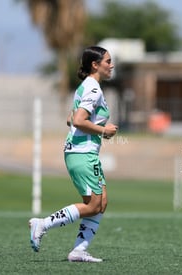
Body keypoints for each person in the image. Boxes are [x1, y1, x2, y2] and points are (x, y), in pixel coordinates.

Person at [29, 46, 118, 263]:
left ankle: (79, 250)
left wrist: (97, 128)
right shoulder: (93, 89)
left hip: (86, 153)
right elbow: (78, 121)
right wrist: (104, 130)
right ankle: (43, 224)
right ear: (95, 65)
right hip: (81, 153)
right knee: (92, 205)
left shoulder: (88, 86)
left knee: (101, 203)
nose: (111, 65)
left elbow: (71, 119)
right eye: (107, 61)